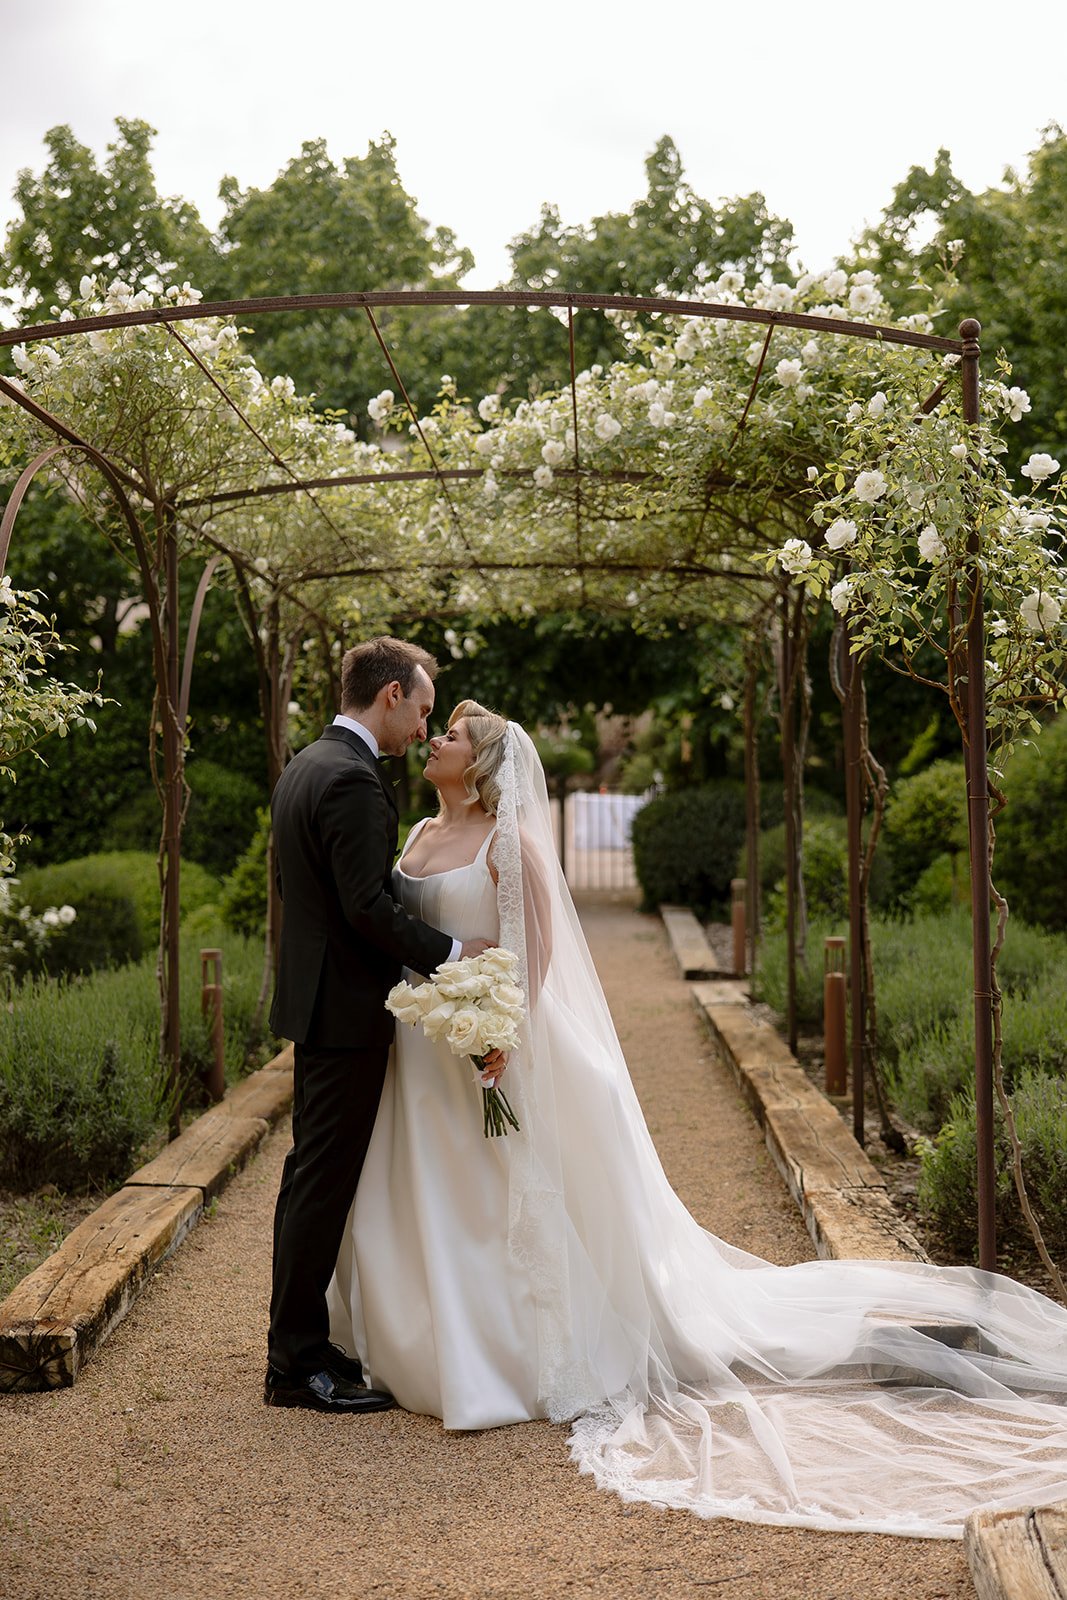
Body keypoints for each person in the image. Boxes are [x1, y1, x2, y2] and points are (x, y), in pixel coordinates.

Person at [328, 697, 1067, 1536]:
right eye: (437, 728)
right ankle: (419, 1343)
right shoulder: (417, 836)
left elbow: (535, 951)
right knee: (436, 1198)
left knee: (504, 1199)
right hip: (424, 1057)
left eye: (450, 734)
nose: (433, 740)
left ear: (485, 762)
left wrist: (501, 1035)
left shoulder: (512, 842)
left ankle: (502, 1354)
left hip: (497, 1049)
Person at [265, 639, 494, 1413]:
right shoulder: (355, 783)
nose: (423, 729)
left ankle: (303, 1340)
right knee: (320, 1185)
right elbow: (365, 908)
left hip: (316, 1001)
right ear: (391, 694)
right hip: (346, 1010)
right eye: (423, 710)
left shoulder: (306, 765)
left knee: (310, 1179)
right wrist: (458, 952)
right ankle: (295, 1366)